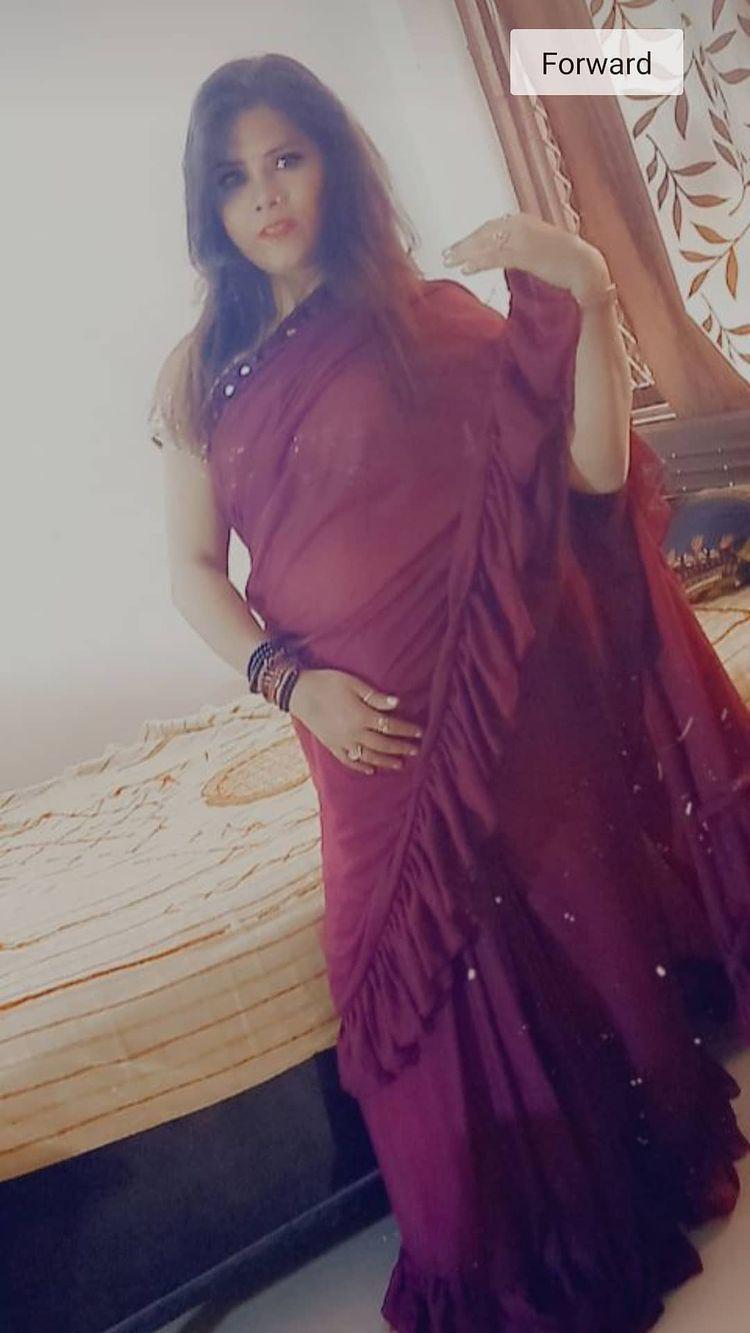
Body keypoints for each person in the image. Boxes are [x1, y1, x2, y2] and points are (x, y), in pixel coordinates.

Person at [150, 53, 750, 1333]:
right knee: (397, 982)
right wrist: (289, 682)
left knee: (575, 922)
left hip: (514, 714)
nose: (266, 195)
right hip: (357, 739)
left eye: (287, 158)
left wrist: (586, 290)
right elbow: (193, 570)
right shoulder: (200, 375)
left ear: (334, 163)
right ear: (208, 207)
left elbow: (593, 477)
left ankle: (615, 1192)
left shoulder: (430, 322)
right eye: (234, 177)